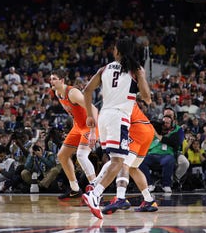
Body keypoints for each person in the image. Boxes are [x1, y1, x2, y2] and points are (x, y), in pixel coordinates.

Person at [82, 37, 151, 219]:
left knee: (115, 160)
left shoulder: (104, 69)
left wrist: (90, 115)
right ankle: (94, 194)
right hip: (119, 117)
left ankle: (95, 190)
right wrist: (142, 76)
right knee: (118, 161)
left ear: (116, 51)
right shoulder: (135, 70)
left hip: (104, 116)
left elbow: (87, 90)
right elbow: (147, 97)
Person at [95, 102, 159, 214]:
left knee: (121, 162)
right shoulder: (124, 94)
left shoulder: (116, 99)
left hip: (136, 129)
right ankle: (149, 200)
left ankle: (120, 198)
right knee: (133, 167)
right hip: (148, 130)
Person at [49, 69, 99, 199]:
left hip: (90, 126)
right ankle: (75, 189)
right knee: (62, 156)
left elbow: (93, 109)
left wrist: (93, 131)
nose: (51, 81)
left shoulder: (72, 93)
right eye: (50, 79)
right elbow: (74, 113)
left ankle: (96, 190)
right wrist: (73, 130)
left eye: (54, 78)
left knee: (81, 155)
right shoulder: (57, 93)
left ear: (62, 80)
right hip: (78, 127)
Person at [139, 107, 185, 193]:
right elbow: (149, 123)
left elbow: (176, 142)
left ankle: (167, 184)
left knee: (171, 160)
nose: (165, 124)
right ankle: (149, 184)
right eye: (164, 122)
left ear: (173, 119)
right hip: (152, 154)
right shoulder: (157, 127)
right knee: (140, 161)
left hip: (167, 154)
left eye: (168, 122)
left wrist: (160, 137)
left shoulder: (177, 130)